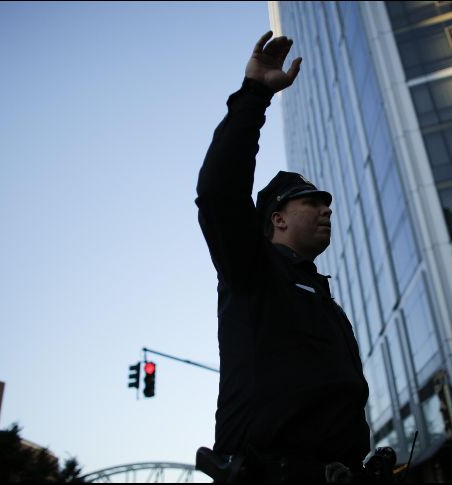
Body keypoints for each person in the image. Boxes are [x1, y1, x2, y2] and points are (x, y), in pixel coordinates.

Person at [195, 31, 371, 482]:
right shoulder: (251, 269)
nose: (326, 208)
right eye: (311, 202)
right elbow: (219, 192)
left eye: (326, 203)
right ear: (277, 219)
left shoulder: (325, 301)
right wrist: (255, 94)